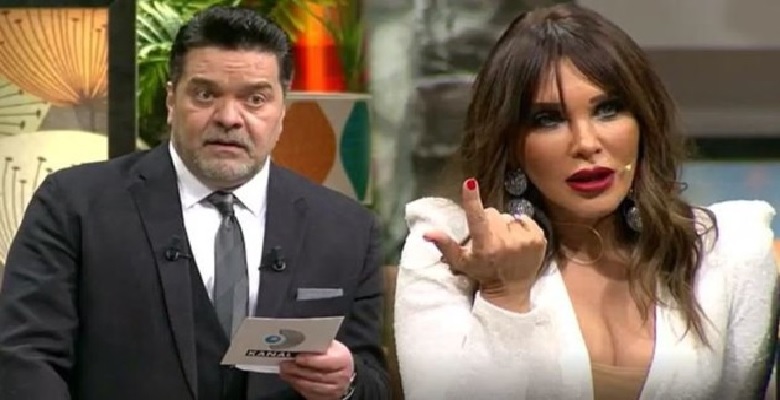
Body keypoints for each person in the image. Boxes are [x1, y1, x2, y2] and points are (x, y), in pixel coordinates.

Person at [0, 6, 389, 400]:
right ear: (171, 100)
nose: (229, 118)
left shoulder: (347, 229)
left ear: (283, 110)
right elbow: (25, 356)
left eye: (255, 99)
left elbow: (373, 381)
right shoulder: (74, 205)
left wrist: (348, 383)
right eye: (205, 94)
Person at [394, 3, 779, 400]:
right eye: (548, 119)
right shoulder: (448, 248)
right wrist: (502, 294)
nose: (586, 143)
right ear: (510, 145)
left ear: (643, 123)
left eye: (608, 110)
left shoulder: (726, 252)